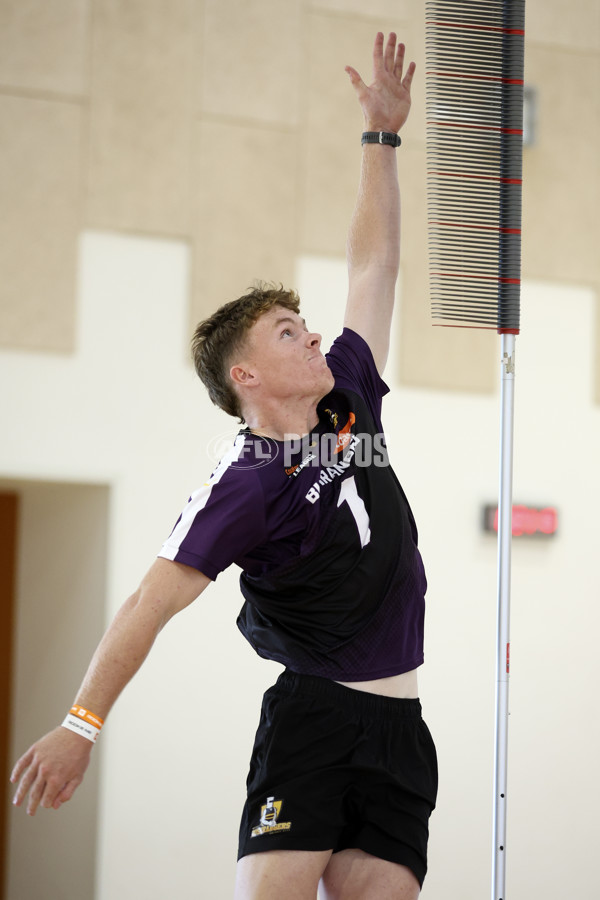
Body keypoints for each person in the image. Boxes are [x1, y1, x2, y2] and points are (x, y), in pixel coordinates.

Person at [11, 33, 437, 900]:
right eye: (289, 332)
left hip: (401, 725)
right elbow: (149, 603)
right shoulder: (243, 483)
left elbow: (374, 264)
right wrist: (79, 725)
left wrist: (383, 140)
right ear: (246, 376)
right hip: (315, 717)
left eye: (305, 323)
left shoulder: (348, 387)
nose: (314, 333)